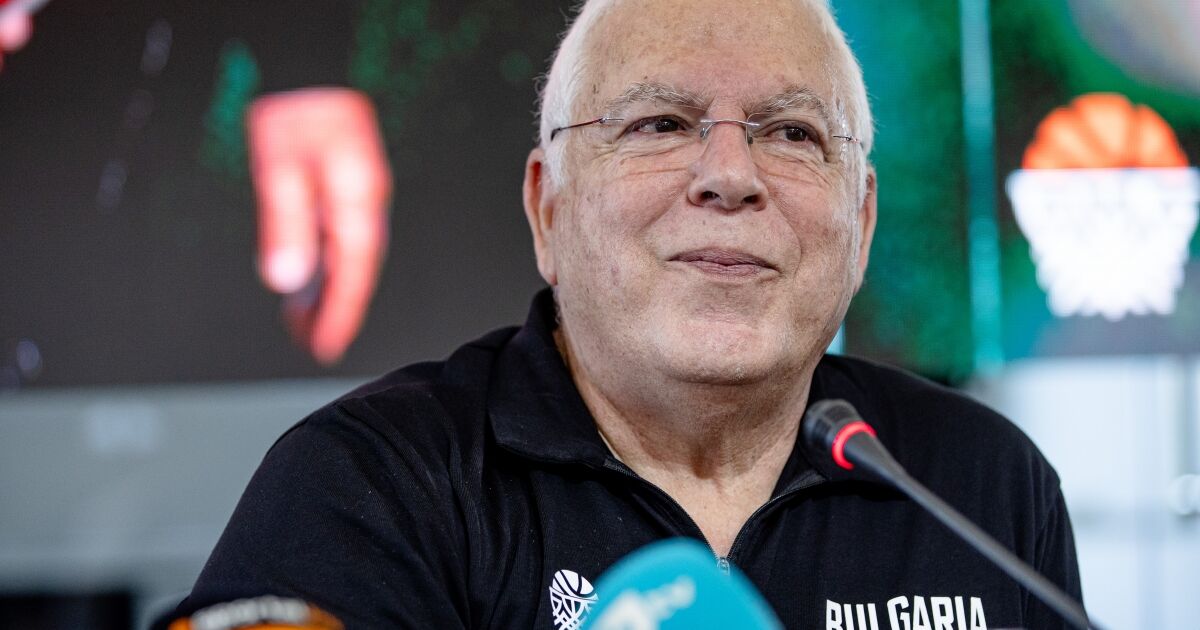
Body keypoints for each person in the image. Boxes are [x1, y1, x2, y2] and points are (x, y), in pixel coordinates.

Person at [179, 0, 1083, 627]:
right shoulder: (370, 482)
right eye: (660, 124)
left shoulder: (980, 485)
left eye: (792, 133)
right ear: (548, 208)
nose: (730, 176)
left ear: (863, 223)